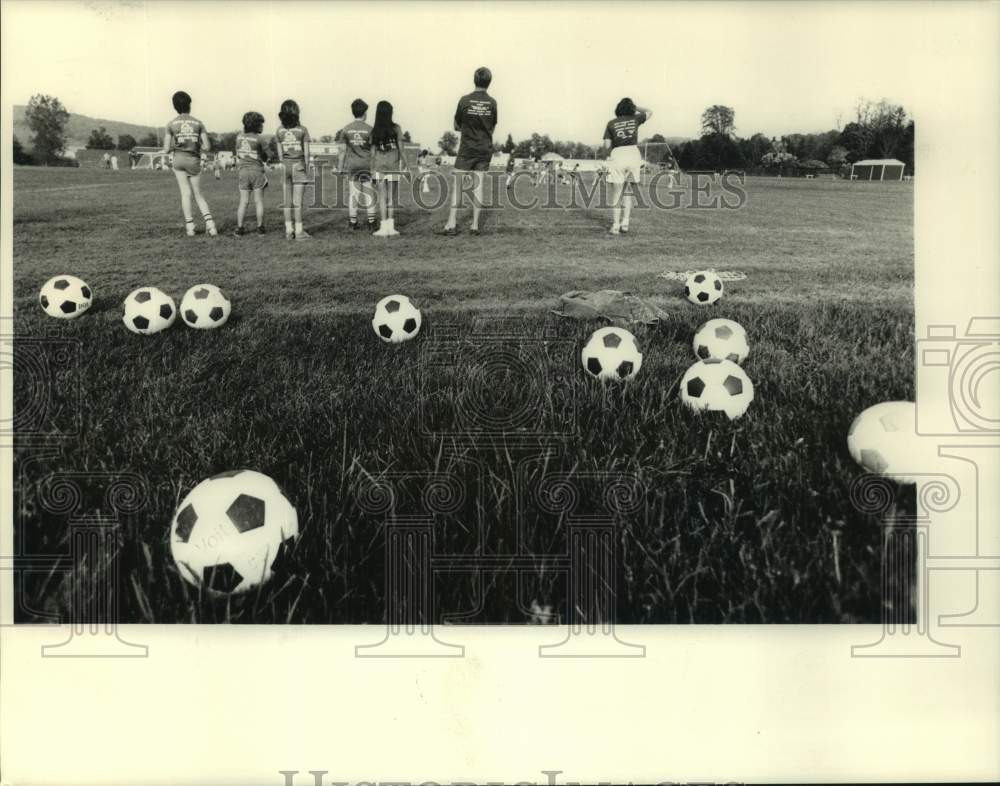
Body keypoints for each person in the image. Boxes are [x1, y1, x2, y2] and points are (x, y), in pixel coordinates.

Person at [442, 66, 497, 236]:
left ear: (474, 80)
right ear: (489, 82)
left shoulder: (464, 100)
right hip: (484, 149)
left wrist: (467, 129)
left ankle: (451, 224)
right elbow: (492, 126)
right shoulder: (493, 103)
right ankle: (474, 226)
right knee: (478, 186)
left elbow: (456, 125)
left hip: (467, 148)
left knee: (458, 185)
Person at [163, 90, 217, 236]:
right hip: (194, 160)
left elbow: (166, 149)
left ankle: (190, 227)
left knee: (185, 194)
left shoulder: (171, 124)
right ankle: (211, 225)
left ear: (175, 106)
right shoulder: (198, 123)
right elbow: (207, 147)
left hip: (178, 161)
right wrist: (195, 143)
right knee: (198, 194)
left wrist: (178, 144)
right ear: (189, 105)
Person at [602, 97, 652, 235]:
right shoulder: (635, 119)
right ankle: (625, 223)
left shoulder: (611, 123)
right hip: (633, 154)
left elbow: (606, 145)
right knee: (628, 192)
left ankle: (616, 226)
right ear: (631, 108)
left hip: (618, 154)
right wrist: (635, 108)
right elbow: (650, 111)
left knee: (617, 193)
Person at [369, 100, 411, 237]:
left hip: (379, 168)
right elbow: (402, 149)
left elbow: (373, 153)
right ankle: (391, 228)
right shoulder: (397, 128)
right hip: (393, 167)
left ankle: (383, 227)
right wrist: (406, 165)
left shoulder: (374, 131)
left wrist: (371, 170)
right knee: (392, 198)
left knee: (382, 198)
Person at [336, 98, 377, 232]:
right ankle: (372, 222)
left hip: (352, 166)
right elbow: (373, 152)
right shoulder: (370, 129)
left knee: (353, 194)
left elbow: (342, 151)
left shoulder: (346, 129)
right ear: (364, 112)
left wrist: (340, 168)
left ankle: (352, 222)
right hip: (366, 165)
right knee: (368, 193)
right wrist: (374, 169)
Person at [275, 99, 312, 240]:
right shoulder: (303, 130)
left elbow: (279, 154)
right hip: (298, 165)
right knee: (297, 202)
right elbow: (307, 153)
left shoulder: (279, 130)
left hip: (285, 166)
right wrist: (306, 167)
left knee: (287, 201)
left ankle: (288, 231)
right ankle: (299, 231)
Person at [233, 111, 269, 236]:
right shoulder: (259, 139)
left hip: (243, 172)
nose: (262, 126)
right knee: (258, 201)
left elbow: (238, 153)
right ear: (256, 125)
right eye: (261, 124)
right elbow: (266, 156)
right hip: (257, 171)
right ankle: (260, 228)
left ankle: (239, 228)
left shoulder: (239, 137)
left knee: (243, 201)